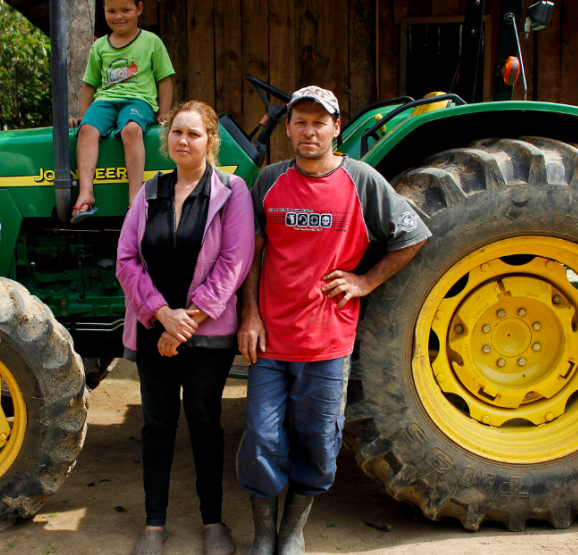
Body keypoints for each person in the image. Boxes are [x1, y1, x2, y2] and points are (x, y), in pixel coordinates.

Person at [236, 86, 431, 555]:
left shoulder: (362, 181)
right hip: (270, 341)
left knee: (319, 441)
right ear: (287, 129)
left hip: (328, 343)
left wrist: (366, 280)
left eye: (319, 122)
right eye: (300, 122)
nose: (309, 130)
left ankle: (293, 530)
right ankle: (264, 532)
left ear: (336, 128)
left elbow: (414, 234)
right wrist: (250, 315)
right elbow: (251, 258)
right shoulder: (269, 180)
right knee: (262, 439)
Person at [117, 100, 254, 555]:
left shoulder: (231, 192)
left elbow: (235, 263)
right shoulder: (150, 191)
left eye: (194, 134)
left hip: (206, 333)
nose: (183, 141)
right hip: (153, 326)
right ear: (166, 138)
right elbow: (126, 260)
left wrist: (188, 320)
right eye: (177, 132)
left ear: (210, 141)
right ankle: (153, 524)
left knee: (203, 419)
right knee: (157, 424)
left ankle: (213, 520)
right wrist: (161, 315)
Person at [69, 0, 174, 223]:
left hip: (139, 100)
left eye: (125, 10)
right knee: (87, 130)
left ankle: (135, 197)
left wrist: (164, 113)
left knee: (131, 129)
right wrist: (84, 115)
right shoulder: (99, 47)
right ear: (104, 12)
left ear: (139, 8)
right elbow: (90, 84)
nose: (119, 16)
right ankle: (86, 192)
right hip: (105, 101)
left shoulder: (151, 42)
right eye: (111, 11)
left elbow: (164, 80)